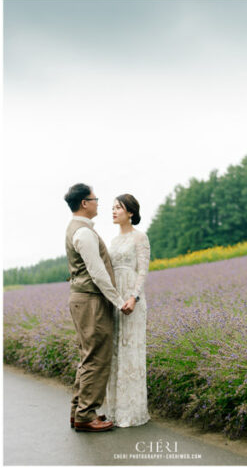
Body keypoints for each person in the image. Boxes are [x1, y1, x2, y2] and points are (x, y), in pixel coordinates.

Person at [63, 183, 128, 432]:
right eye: (95, 199)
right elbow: (98, 273)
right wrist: (119, 301)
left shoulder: (77, 229)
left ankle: (78, 411)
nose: (98, 203)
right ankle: (85, 416)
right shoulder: (84, 233)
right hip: (91, 300)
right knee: (97, 358)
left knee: (87, 357)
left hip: (82, 298)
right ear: (84, 203)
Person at [101, 193, 151, 427]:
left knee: (130, 351)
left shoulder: (140, 237)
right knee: (115, 352)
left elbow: (142, 271)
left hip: (131, 296)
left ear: (130, 212)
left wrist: (134, 297)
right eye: (112, 208)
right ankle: (114, 410)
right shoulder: (112, 242)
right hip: (114, 297)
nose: (113, 211)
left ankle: (131, 412)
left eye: (118, 208)